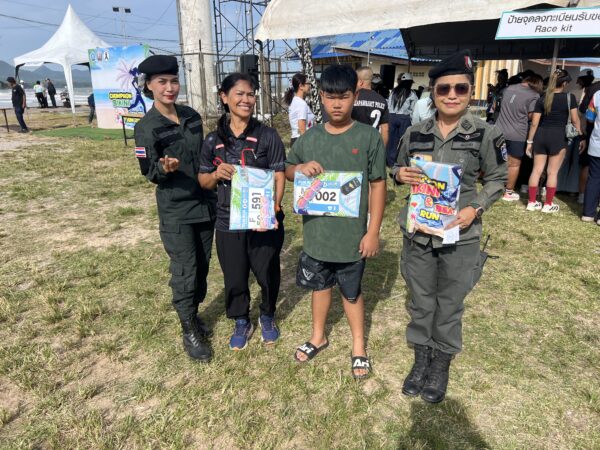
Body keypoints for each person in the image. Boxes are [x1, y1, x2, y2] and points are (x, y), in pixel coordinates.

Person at [393, 50, 507, 403]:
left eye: (461, 88)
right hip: (419, 233)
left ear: (471, 91)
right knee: (421, 300)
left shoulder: (485, 133)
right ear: (433, 92)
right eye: (444, 89)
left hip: (461, 234)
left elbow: (498, 178)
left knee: (450, 302)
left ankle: (441, 362)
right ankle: (421, 358)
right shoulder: (415, 132)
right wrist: (399, 174)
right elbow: (396, 168)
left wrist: (475, 208)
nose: (452, 95)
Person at [285, 64, 386, 380]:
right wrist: (299, 169)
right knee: (320, 286)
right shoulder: (310, 138)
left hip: (351, 237)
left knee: (351, 292)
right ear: (320, 97)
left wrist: (372, 231)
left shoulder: (368, 137)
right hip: (317, 234)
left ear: (355, 95)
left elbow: (378, 185)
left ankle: (358, 345)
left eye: (343, 97)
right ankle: (318, 336)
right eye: (330, 97)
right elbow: (288, 169)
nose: (337, 104)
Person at [134, 55, 216, 362]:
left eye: (173, 81)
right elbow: (148, 171)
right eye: (162, 82)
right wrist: (164, 168)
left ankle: (193, 312)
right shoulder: (146, 127)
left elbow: (204, 156)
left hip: (204, 203)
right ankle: (188, 328)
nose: (169, 88)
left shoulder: (192, 116)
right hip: (177, 210)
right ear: (149, 86)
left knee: (203, 266)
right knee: (185, 269)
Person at [198, 73, 286, 350]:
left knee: (267, 272)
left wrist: (274, 207)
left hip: (262, 220)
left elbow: (279, 174)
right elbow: (203, 180)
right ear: (224, 97)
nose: (246, 99)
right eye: (239, 94)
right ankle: (241, 320)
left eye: (250, 94)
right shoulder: (212, 140)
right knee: (234, 275)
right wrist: (216, 174)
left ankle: (267, 315)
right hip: (228, 221)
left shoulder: (268, 135)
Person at [525, 69, 586, 213]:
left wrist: (529, 142)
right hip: (558, 137)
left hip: (541, 135)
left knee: (536, 170)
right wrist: (581, 137)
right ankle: (548, 204)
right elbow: (575, 120)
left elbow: (534, 123)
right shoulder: (569, 98)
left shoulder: (542, 98)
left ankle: (532, 202)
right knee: (552, 172)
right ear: (564, 83)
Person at [495, 74, 543, 201]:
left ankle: (494, 187)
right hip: (518, 133)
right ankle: (508, 192)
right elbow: (532, 116)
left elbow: (496, 106)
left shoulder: (507, 89)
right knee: (514, 164)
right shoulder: (534, 95)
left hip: (498, 130)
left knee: (498, 161)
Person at [352, 66, 389, 147]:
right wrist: (382, 150)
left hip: (353, 143)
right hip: (373, 144)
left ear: (360, 82)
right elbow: (385, 128)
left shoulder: (352, 98)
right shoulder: (382, 100)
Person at [386, 73, 418, 166]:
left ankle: (390, 162)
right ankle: (399, 162)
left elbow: (389, 105)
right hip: (404, 118)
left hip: (391, 117)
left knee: (391, 141)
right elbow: (413, 109)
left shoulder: (393, 92)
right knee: (403, 141)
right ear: (410, 83)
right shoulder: (412, 94)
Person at [581, 87, 600, 224]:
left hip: (596, 144)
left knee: (593, 178)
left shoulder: (597, 95)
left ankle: (588, 213)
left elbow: (589, 118)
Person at [284, 73, 314, 147]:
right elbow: (302, 128)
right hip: (301, 140)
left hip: (296, 140)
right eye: (308, 83)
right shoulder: (301, 104)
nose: (310, 86)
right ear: (301, 86)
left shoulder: (295, 101)